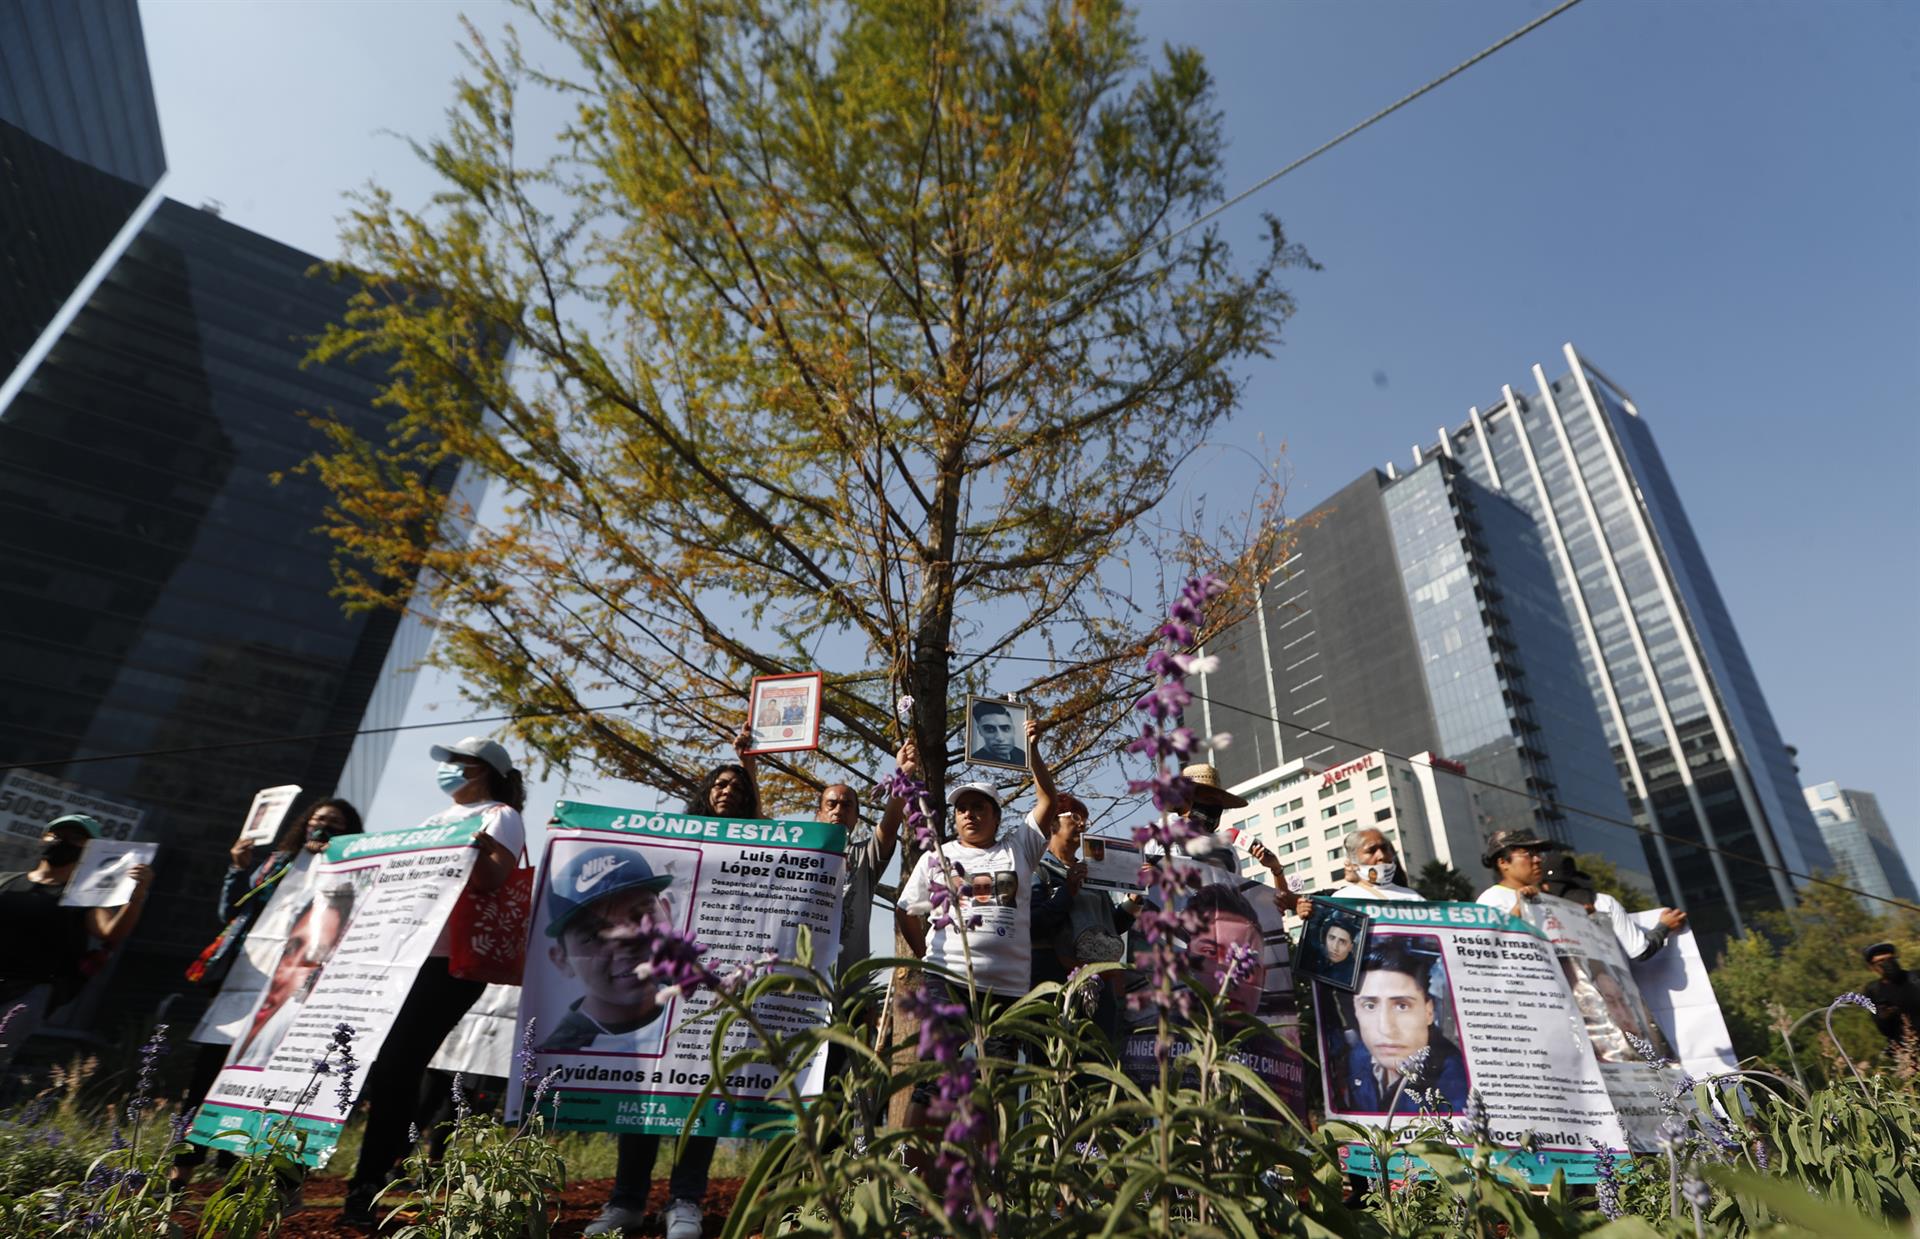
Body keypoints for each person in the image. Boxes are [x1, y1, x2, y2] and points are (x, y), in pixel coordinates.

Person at [342, 737, 527, 1227]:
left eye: (457, 764)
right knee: (390, 1068)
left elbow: (491, 879)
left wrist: (481, 851)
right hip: (403, 956)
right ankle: (384, 1170)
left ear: (482, 771)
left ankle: (369, 1183)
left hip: (450, 963)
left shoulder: (500, 816)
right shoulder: (430, 822)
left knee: (399, 1064)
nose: (447, 771)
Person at [583, 728, 759, 1239]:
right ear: (705, 793)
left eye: (738, 788)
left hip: (716, 978)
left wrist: (751, 764)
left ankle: (685, 1200)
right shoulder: (670, 837)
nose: (728, 791)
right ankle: (626, 1202)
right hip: (658, 980)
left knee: (701, 1087)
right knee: (645, 1088)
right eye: (720, 784)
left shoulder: (757, 843)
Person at [175, 798, 363, 1183]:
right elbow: (235, 911)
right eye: (318, 820)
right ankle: (183, 1165)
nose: (323, 827)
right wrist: (238, 870)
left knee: (257, 1073)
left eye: (335, 823)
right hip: (246, 975)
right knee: (209, 1069)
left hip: (293, 984)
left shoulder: (351, 869)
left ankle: (232, 1164)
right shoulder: (279, 861)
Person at [0, 814, 153, 1067]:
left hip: (27, 990)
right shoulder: (5, 881)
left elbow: (110, 932)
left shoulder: (81, 896)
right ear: (43, 838)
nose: (64, 842)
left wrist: (136, 897)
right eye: (57, 835)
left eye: (76, 838)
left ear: (89, 851)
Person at [1025, 719, 1140, 1045]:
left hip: (1102, 981)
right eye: (1073, 818)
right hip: (1059, 980)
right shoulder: (1039, 869)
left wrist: (1133, 903)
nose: (1081, 825)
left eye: (1083, 820)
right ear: (1052, 824)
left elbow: (1107, 925)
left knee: (1099, 1063)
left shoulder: (1094, 870)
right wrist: (1068, 891)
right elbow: (1035, 923)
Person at [540, 847, 678, 1054]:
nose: (627, 940)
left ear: (667, 912)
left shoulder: (711, 1005)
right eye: (594, 934)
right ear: (561, 959)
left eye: (642, 917)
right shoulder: (552, 1059)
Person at [1337, 937, 1470, 1114]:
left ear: (1429, 1011)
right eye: (1370, 1006)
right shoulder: (1359, 1057)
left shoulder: (1457, 1083)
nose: (1385, 1028)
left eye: (1402, 1006)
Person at [1539, 853, 1687, 961]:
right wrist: (1664, 926)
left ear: (1544, 885)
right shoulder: (1603, 902)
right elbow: (1640, 951)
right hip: (1614, 994)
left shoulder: (1536, 912)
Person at [1475, 828, 1569, 916]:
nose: (1537, 859)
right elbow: (1493, 933)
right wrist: (1518, 909)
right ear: (1503, 863)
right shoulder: (1491, 899)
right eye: (1529, 854)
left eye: (1539, 854)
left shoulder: (1547, 897)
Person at [1328, 829, 1425, 902]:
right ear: (1353, 861)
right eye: (1371, 851)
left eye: (1384, 848)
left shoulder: (1414, 898)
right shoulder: (1343, 899)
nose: (1381, 856)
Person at [1864, 943, 1920, 1049]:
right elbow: (1884, 1030)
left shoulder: (1916, 978)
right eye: (1881, 961)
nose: (1887, 963)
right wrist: (1884, 1017)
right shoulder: (1874, 990)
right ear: (1872, 967)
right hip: (1907, 1050)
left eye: (1890, 959)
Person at [968, 699, 1025, 766]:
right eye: (990, 730)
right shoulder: (977, 760)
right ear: (980, 731)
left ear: (1014, 729)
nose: (1000, 738)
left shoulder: (1023, 756)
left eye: (1006, 728)